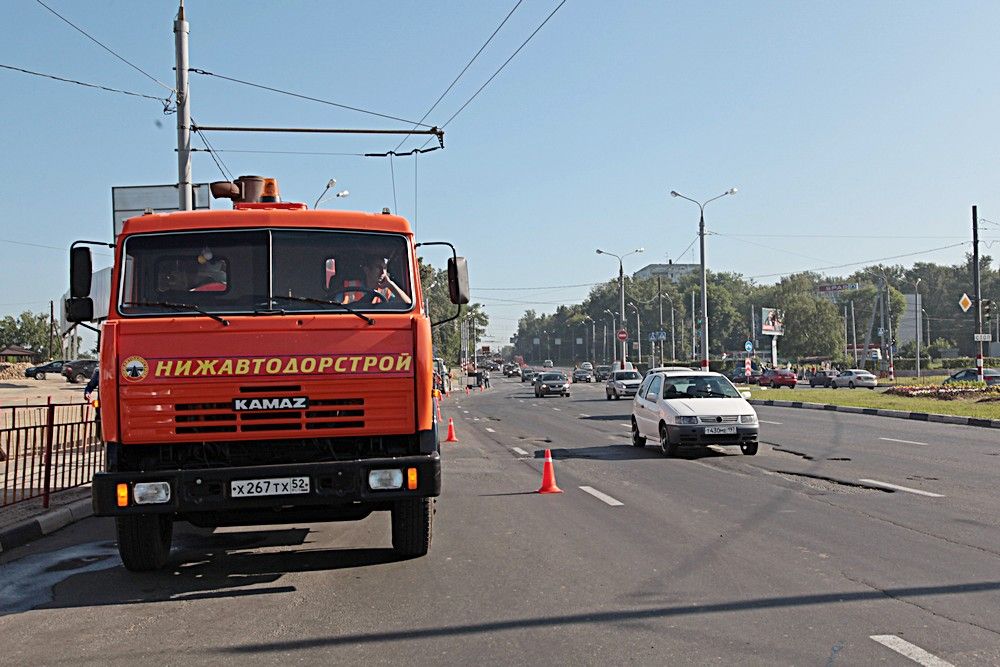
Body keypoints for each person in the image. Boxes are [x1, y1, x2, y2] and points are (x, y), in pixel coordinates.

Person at [341, 255, 412, 306]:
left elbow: (408, 305)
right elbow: (335, 309)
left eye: (385, 268)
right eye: (378, 267)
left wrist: (391, 285)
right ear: (367, 270)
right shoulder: (349, 287)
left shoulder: (386, 291)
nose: (383, 272)